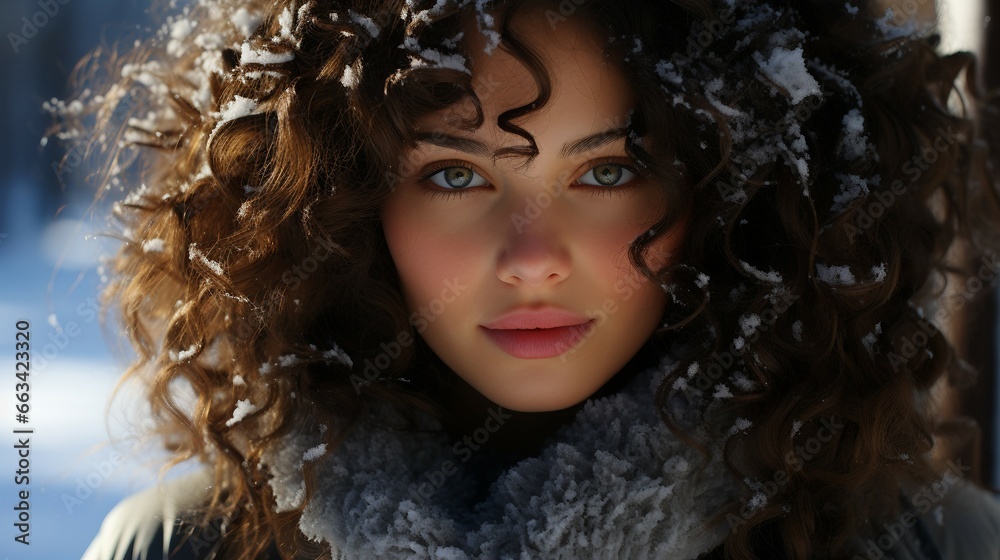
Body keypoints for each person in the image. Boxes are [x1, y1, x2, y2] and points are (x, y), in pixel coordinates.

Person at [49, 0, 1000, 558]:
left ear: (739, 192)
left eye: (609, 171)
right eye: (456, 175)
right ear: (340, 201)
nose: (535, 255)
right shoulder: (192, 547)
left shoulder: (929, 547)